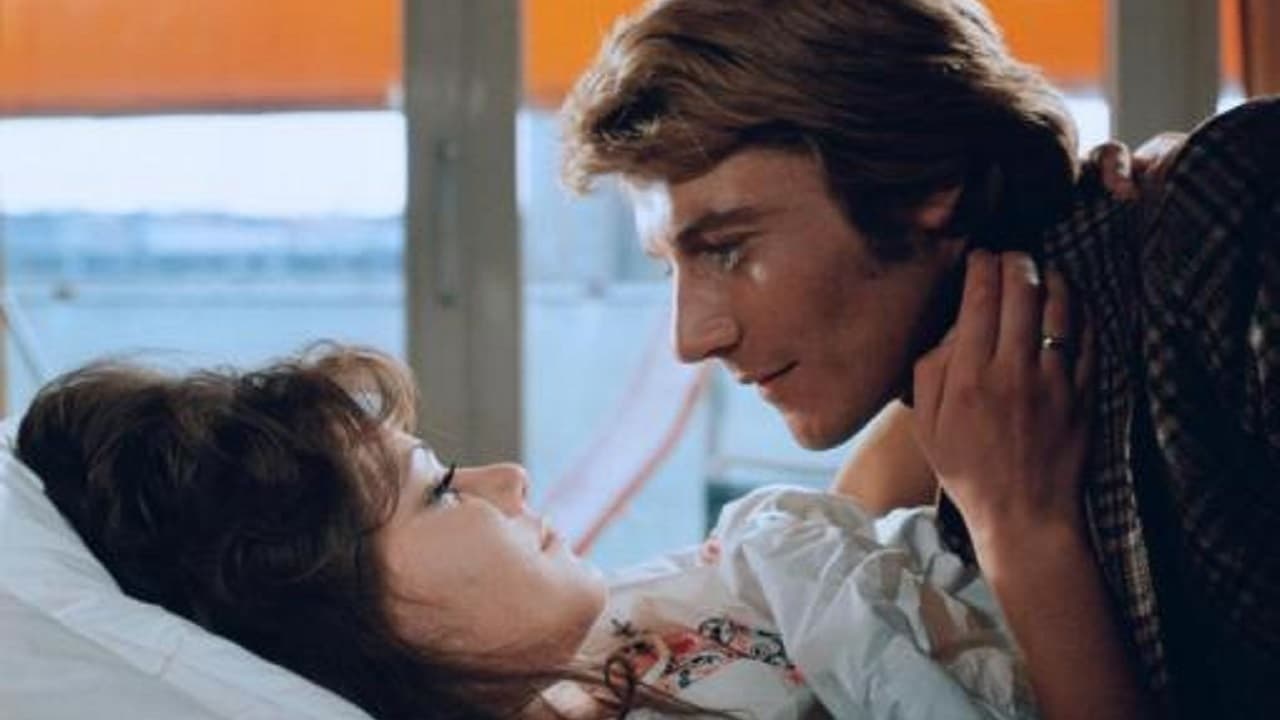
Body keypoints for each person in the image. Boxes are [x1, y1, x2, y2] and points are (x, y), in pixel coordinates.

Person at [560, 0, 1280, 716]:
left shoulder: (1221, 225)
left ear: (923, 182)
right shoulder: (961, 453)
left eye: (726, 249)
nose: (691, 338)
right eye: (670, 267)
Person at [15, 343, 1055, 719]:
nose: (510, 480)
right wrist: (1022, 519)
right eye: (437, 492)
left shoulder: (589, 646)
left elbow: (843, 538)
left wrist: (980, 294)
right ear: (341, 624)